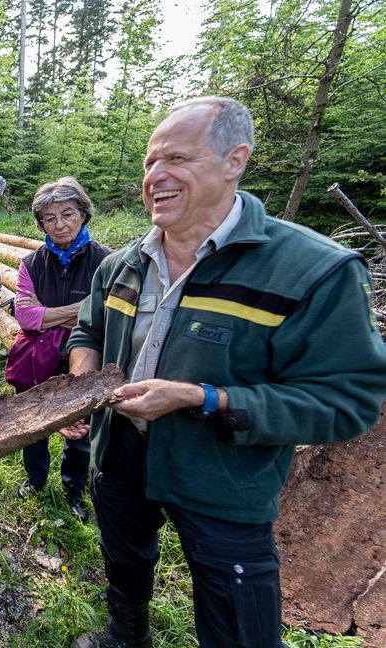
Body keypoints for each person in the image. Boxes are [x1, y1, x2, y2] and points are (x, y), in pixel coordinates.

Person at [67, 96, 386, 648]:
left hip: (224, 474)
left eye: (177, 158)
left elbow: (347, 403)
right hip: (119, 450)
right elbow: (87, 333)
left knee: (235, 612)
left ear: (234, 160)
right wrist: (80, 388)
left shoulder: (312, 271)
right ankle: (126, 635)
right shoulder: (122, 265)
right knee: (124, 556)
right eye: (149, 161)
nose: (155, 175)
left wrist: (202, 398)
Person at [9, 178, 111, 523]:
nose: (59, 225)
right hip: (39, 359)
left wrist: (47, 313)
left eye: (67, 214)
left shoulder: (106, 262)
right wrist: (82, 308)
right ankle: (36, 480)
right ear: (41, 223)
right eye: (49, 218)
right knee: (33, 423)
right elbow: (26, 316)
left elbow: (106, 315)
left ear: (83, 213)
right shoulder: (32, 263)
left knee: (80, 426)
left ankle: (73, 490)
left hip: (86, 358)